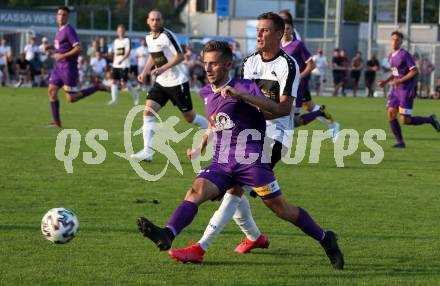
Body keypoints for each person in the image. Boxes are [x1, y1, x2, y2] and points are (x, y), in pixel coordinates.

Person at [137, 38, 344, 270]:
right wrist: (202, 144)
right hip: (222, 160)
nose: (207, 68)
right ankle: (168, 233)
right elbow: (216, 121)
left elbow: (274, 109)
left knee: (282, 210)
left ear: (227, 64)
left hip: (250, 160)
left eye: (214, 64)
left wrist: (241, 96)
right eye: (205, 63)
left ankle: (326, 239)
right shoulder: (206, 91)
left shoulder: (246, 86)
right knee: (195, 192)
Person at [130, 10, 209, 162]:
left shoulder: (167, 36)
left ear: (162, 20)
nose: (155, 22)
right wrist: (145, 71)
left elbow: (180, 56)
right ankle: (147, 151)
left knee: (189, 117)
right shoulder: (148, 38)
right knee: (148, 112)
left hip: (177, 82)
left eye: (158, 19)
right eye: (152, 19)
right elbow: (153, 57)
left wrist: (163, 68)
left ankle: (211, 130)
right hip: (161, 83)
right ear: (148, 21)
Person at [280, 15, 339, 141]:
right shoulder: (278, 44)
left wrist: (298, 77)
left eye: (288, 28)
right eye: (283, 28)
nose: (285, 30)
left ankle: (321, 114)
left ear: (292, 29)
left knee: (292, 121)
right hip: (283, 86)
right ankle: (321, 114)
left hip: (297, 87)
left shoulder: (297, 44)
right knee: (290, 119)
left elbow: (312, 65)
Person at [46, 6, 106, 128]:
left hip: (68, 68)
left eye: (63, 15)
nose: (61, 16)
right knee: (52, 91)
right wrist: (52, 47)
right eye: (59, 14)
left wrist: (62, 55)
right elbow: (62, 46)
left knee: (71, 98)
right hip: (59, 68)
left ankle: (97, 87)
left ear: (67, 17)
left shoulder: (69, 30)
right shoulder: (59, 31)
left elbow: (78, 48)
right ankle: (57, 123)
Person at [378, 31, 440, 148]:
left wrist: (400, 81)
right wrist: (386, 81)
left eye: (397, 40)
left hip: (406, 91)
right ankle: (400, 142)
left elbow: (414, 71)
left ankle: (431, 119)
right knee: (391, 113)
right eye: (392, 39)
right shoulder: (391, 56)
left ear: (401, 42)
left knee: (405, 121)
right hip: (396, 90)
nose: (394, 41)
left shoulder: (404, 54)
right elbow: (395, 72)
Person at [108, 24, 139, 105]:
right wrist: (114, 63)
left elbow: (128, 52)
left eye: (122, 31)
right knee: (114, 81)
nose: (120, 32)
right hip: (116, 65)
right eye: (119, 31)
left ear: (124, 32)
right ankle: (114, 100)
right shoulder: (116, 41)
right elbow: (115, 53)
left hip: (124, 64)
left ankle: (135, 95)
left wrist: (121, 60)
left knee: (123, 83)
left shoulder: (127, 40)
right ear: (117, 32)